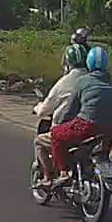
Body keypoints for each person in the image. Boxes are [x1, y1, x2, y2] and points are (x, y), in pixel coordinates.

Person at [47, 45, 112, 186]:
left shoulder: (82, 81)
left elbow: (70, 109)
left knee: (56, 134)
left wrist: (60, 122)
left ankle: (64, 172)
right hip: (111, 129)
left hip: (87, 126)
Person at [33, 44, 87, 185]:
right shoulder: (91, 79)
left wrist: (38, 108)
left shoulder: (64, 83)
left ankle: (48, 177)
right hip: (91, 128)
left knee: (39, 141)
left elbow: (45, 109)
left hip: (68, 129)